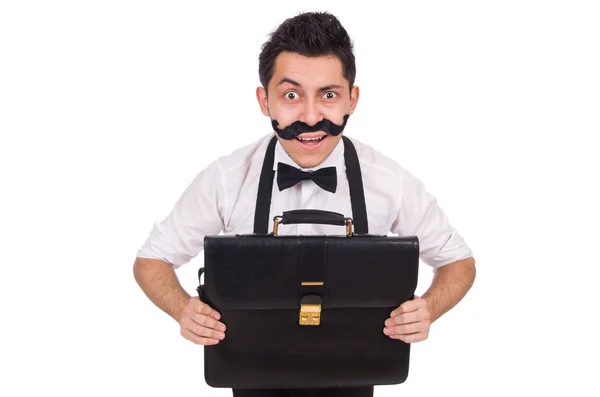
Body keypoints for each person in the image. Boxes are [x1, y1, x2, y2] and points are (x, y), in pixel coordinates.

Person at [133, 11, 476, 397]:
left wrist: (428, 308)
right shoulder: (226, 178)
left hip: (357, 377)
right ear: (265, 100)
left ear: (352, 99)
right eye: (291, 95)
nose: (311, 117)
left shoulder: (390, 180)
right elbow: (151, 260)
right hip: (249, 377)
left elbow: (458, 261)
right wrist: (183, 309)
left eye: (328, 95)